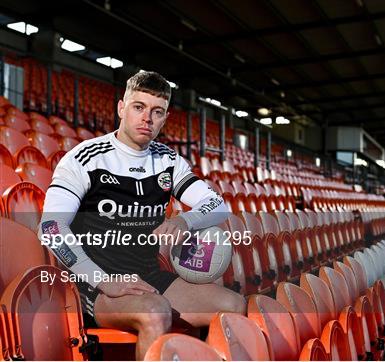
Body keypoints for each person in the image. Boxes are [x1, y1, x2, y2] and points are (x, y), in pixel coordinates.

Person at [38, 71, 245, 360]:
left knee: (232, 306)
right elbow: (50, 227)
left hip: (148, 276)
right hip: (93, 286)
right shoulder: (86, 157)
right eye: (139, 107)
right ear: (121, 108)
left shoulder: (168, 160)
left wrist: (184, 220)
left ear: (164, 118)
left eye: (156, 112)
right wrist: (102, 280)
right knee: (155, 311)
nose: (147, 118)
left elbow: (217, 205)